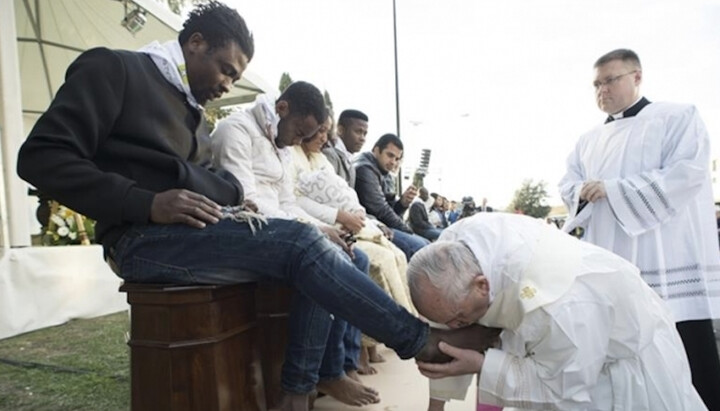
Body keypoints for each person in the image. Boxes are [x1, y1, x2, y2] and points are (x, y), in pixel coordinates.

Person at [15, 3, 494, 410]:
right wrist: (149, 203)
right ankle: (417, 342)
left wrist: (224, 196)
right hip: (139, 240)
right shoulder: (115, 68)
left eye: (236, 76)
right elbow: (40, 158)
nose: (227, 84)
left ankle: (299, 388)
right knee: (303, 242)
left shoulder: (190, 111)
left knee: (326, 252)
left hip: (189, 232)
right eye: (226, 69)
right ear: (195, 42)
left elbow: (220, 183)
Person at [408, 213, 706, 411]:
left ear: (482, 285)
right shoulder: (452, 250)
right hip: (560, 348)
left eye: (460, 318)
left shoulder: (558, 306)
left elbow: (564, 390)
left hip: (613, 366)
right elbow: (446, 331)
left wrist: (483, 365)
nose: (455, 326)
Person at [559, 48, 720, 409]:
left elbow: (687, 173)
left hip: (664, 253)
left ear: (637, 76)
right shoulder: (587, 140)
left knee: (686, 343)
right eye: (597, 84)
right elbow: (568, 182)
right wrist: (579, 192)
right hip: (613, 255)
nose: (602, 90)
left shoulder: (677, 116)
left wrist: (615, 191)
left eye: (610, 80)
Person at [210, 82, 380, 406]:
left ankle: (331, 371)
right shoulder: (236, 131)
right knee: (321, 261)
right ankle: (298, 387)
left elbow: (289, 203)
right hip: (245, 232)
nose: (299, 142)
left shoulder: (284, 147)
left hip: (283, 231)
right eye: (300, 133)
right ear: (282, 109)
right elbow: (248, 205)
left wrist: (322, 228)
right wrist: (315, 231)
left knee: (353, 259)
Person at [288, 117, 415, 376]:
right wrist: (338, 218)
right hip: (322, 226)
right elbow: (293, 200)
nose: (322, 137)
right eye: (319, 130)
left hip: (350, 225)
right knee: (369, 260)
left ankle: (366, 348)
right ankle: (354, 356)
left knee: (396, 254)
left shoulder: (322, 159)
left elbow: (351, 197)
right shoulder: (291, 154)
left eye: (326, 131)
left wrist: (358, 217)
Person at [355, 133, 430, 258]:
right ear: (376, 150)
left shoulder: (381, 171)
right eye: (390, 155)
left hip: (379, 225)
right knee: (421, 248)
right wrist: (408, 231)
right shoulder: (365, 169)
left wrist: (402, 203)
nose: (393, 162)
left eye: (396, 159)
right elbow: (381, 211)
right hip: (369, 226)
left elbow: (387, 209)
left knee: (426, 244)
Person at [323, 109, 368, 187]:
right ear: (340, 130)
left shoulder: (350, 163)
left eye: (364, 134)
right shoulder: (329, 155)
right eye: (358, 132)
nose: (363, 138)